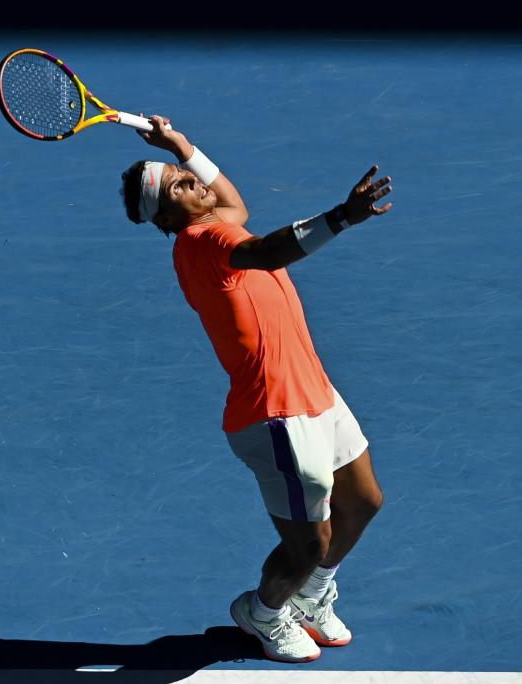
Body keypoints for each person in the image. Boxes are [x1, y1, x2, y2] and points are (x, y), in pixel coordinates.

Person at [117, 114, 394, 663]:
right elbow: (269, 250)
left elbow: (230, 200)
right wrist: (342, 217)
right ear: (170, 214)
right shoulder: (205, 240)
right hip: (276, 417)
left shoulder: (211, 230)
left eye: (185, 174)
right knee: (308, 543)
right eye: (179, 183)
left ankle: (311, 595)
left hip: (315, 391)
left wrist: (181, 145)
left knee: (362, 502)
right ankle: (262, 612)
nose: (194, 181)